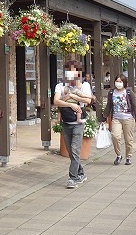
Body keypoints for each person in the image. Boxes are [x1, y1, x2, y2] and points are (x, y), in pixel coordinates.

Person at [54, 60, 92, 189]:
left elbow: (88, 100)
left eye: (74, 70)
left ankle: (73, 178)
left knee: (75, 150)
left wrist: (74, 98)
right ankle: (80, 173)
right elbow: (56, 101)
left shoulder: (84, 85)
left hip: (78, 123)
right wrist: (70, 104)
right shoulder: (60, 86)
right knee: (71, 152)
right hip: (66, 121)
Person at [104, 74, 136, 165]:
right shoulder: (112, 92)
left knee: (128, 139)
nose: (118, 83)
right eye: (117, 81)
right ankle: (119, 155)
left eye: (120, 81)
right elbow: (109, 105)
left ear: (124, 83)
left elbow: (134, 105)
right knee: (115, 136)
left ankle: (128, 156)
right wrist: (104, 117)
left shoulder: (128, 92)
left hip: (128, 118)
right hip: (116, 118)